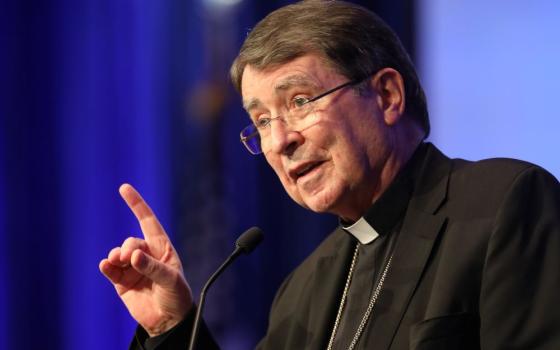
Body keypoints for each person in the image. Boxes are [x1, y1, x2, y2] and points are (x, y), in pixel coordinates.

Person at [99, 1, 560, 349]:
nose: (279, 142)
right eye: (261, 122)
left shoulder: (503, 205)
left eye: (299, 102)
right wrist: (172, 327)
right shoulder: (302, 291)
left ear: (386, 95)